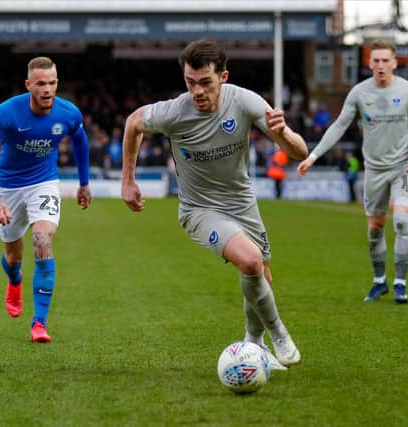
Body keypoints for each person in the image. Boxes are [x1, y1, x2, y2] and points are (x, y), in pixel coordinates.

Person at [121, 39, 307, 367]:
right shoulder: (174, 111)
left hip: (243, 203)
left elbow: (300, 153)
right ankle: (279, 334)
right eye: (190, 83)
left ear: (222, 77)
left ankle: (253, 344)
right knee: (250, 262)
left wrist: (283, 135)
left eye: (205, 82)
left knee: (262, 275)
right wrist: (128, 180)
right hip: (199, 210)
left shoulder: (246, 101)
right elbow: (134, 122)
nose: (197, 91)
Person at [0, 57, 91, 343]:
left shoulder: (68, 113)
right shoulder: (7, 112)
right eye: (40, 84)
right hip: (9, 188)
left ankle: (39, 323)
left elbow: (80, 140)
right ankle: (14, 280)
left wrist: (84, 183)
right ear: (28, 85)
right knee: (13, 257)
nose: (47, 89)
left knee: (42, 241)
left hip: (44, 183)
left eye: (52, 83)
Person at [297, 40, 408, 304]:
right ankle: (380, 282)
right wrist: (313, 156)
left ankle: (400, 282)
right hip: (374, 170)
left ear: (394, 63)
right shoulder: (358, 93)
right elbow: (339, 126)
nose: (380, 65)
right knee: (375, 229)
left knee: (402, 221)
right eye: (375, 60)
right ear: (369, 63)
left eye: (385, 60)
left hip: (404, 168)